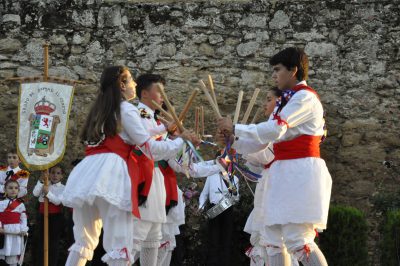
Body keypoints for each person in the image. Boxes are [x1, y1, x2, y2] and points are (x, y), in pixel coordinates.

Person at [62, 66, 198, 266]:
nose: (134, 83)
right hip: (112, 176)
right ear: (122, 85)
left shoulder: (101, 109)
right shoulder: (126, 108)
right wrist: (182, 140)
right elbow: (149, 148)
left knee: (84, 241)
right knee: (120, 244)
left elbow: (142, 131)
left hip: (87, 174)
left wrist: (165, 128)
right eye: (131, 79)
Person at [217, 47, 332, 266]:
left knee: (298, 239)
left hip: (300, 174)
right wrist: (233, 140)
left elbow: (276, 129)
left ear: (293, 70)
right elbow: (263, 141)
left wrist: (236, 127)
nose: (274, 75)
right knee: (271, 239)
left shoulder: (305, 98)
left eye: (277, 69)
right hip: (283, 174)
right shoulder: (288, 101)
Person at [134, 74, 219, 266]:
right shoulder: (139, 115)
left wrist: (214, 163)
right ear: (145, 93)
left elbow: (185, 165)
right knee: (135, 239)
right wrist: (182, 140)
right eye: (159, 90)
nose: (163, 95)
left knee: (155, 239)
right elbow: (154, 151)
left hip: (155, 183)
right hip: (141, 180)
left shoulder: (153, 121)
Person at [198, 152, 239, 266]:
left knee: (226, 239)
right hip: (214, 209)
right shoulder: (211, 176)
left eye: (225, 160)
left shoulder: (234, 178)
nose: (222, 162)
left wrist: (227, 202)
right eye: (220, 160)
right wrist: (200, 207)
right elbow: (204, 194)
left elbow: (236, 197)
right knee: (213, 239)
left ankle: (224, 263)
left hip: (227, 209)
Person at [33, 165, 65, 266]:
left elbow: (58, 201)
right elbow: (35, 193)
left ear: (62, 176)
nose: (55, 175)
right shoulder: (45, 184)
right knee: (41, 241)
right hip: (42, 216)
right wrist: (41, 181)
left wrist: (48, 193)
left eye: (58, 173)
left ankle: (51, 263)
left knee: (53, 243)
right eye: (52, 172)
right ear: (49, 174)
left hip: (55, 218)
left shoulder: (63, 188)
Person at [0, 180, 28, 266]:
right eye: (10, 188)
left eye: (16, 188)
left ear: (18, 190)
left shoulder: (21, 204)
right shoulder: (1, 203)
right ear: (5, 190)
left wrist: (23, 229)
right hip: (3, 231)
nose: (13, 190)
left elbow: (23, 218)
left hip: (16, 232)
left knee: (13, 255)